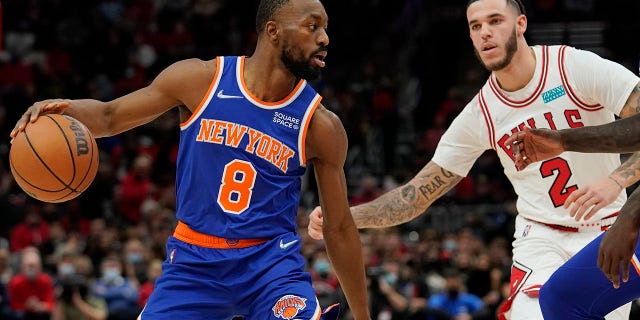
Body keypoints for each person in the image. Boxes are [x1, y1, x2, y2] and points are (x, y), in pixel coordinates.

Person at [9, 0, 370, 319]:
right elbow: (108, 117)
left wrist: (363, 316)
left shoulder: (320, 125)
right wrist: (62, 110)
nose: (324, 38)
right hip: (194, 261)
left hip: (270, 266)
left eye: (325, 27)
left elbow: (338, 230)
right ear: (273, 32)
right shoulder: (201, 80)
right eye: (312, 26)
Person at [307, 0, 640, 319]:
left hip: (610, 226)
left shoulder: (573, 67)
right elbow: (417, 195)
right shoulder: (482, 114)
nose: (485, 33)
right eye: (475, 26)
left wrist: (616, 181)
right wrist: (346, 216)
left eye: (495, 21)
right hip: (541, 237)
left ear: (520, 24)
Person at [504, 115, 640, 319]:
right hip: (544, 232)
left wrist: (629, 216)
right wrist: (564, 140)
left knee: (562, 298)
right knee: (561, 298)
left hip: (608, 220)